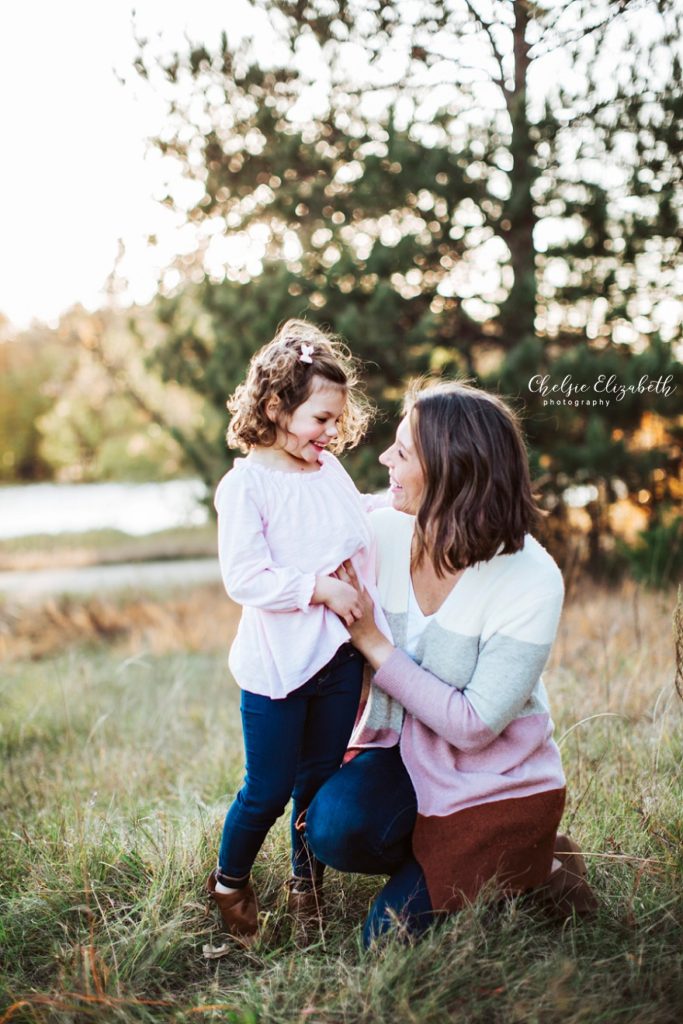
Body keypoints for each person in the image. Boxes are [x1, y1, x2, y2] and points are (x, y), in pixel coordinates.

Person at [305, 380, 597, 947]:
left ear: (451, 469)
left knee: (381, 943)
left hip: (496, 784)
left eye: (403, 452)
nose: (385, 459)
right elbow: (304, 519)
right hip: (408, 762)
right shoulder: (383, 530)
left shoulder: (530, 578)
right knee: (333, 827)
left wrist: (373, 643)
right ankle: (458, 865)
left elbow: (474, 726)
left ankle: (530, 863)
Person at [207, 319, 387, 944]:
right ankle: (229, 880)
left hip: (337, 658)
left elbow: (354, 515)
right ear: (276, 407)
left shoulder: (328, 470)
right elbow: (245, 577)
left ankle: (305, 884)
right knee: (269, 789)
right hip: (278, 670)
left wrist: (404, 505)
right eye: (320, 419)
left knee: (316, 781)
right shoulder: (246, 486)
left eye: (337, 420)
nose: (332, 433)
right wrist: (321, 587)